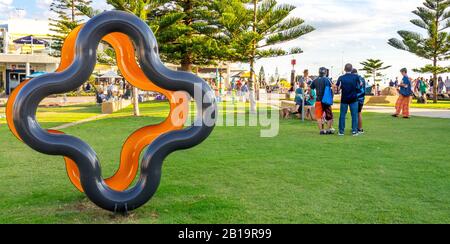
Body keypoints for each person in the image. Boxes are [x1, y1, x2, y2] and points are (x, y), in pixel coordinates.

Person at [336, 64, 361, 136]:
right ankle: (354, 131)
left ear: (344, 69)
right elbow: (360, 85)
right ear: (352, 69)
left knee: (342, 115)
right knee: (354, 115)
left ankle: (341, 131)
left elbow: (337, 87)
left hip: (344, 98)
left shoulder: (341, 77)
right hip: (353, 98)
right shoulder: (356, 77)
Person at [310, 67, 334, 135]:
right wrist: (332, 96)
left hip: (318, 101)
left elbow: (310, 88)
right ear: (325, 72)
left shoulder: (315, 80)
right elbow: (333, 87)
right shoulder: (327, 79)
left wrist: (311, 96)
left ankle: (321, 130)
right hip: (326, 100)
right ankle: (329, 129)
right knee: (329, 116)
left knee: (319, 116)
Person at [352, 69, 366, 134]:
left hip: (356, 98)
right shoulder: (362, 78)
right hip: (362, 98)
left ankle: (358, 128)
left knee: (356, 113)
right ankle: (359, 128)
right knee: (359, 113)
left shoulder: (354, 79)